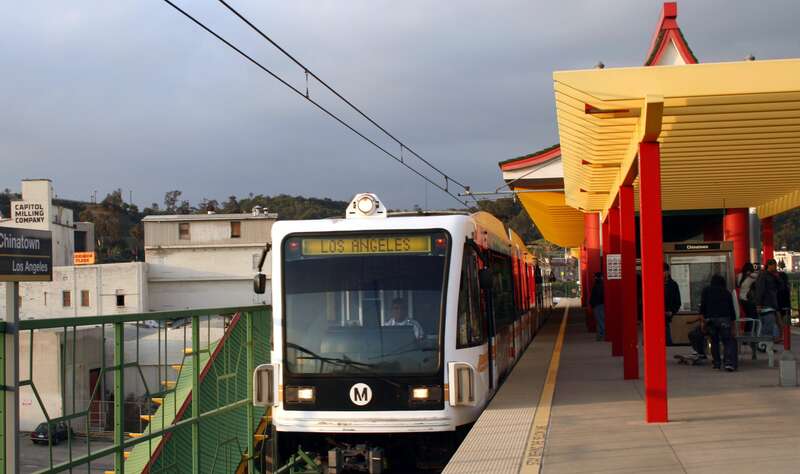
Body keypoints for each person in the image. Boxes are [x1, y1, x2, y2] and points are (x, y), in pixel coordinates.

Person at [700, 274, 738, 371]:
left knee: (714, 341)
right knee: (727, 341)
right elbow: (731, 310)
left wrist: (703, 322)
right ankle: (728, 363)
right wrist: (733, 326)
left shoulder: (706, 291)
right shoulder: (726, 292)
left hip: (711, 320)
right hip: (724, 319)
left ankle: (717, 363)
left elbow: (703, 307)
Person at [755, 259, 782, 341]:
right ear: (769, 265)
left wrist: (777, 277)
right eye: (774, 265)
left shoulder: (773, 275)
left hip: (771, 303)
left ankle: (771, 339)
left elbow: (781, 286)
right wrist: (759, 304)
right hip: (766, 303)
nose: (776, 267)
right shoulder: (763, 276)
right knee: (769, 322)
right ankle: (766, 340)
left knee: (771, 322)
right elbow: (760, 290)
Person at [664, 263, 682, 346]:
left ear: (668, 272)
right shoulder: (654, 283)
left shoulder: (673, 285)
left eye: (664, 271)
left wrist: (672, 311)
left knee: (667, 339)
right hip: (655, 317)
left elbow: (677, 302)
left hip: (667, 316)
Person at [589, 272, 605, 341]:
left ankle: (602, 335)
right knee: (600, 320)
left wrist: (592, 304)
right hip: (600, 304)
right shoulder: (601, 284)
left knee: (600, 320)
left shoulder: (598, 285)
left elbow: (597, 295)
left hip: (598, 305)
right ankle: (600, 335)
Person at [777, 266, 791, 344]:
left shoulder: (778, 286)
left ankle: (781, 337)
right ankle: (786, 338)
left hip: (779, 305)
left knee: (780, 322)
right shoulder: (787, 286)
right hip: (787, 305)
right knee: (786, 323)